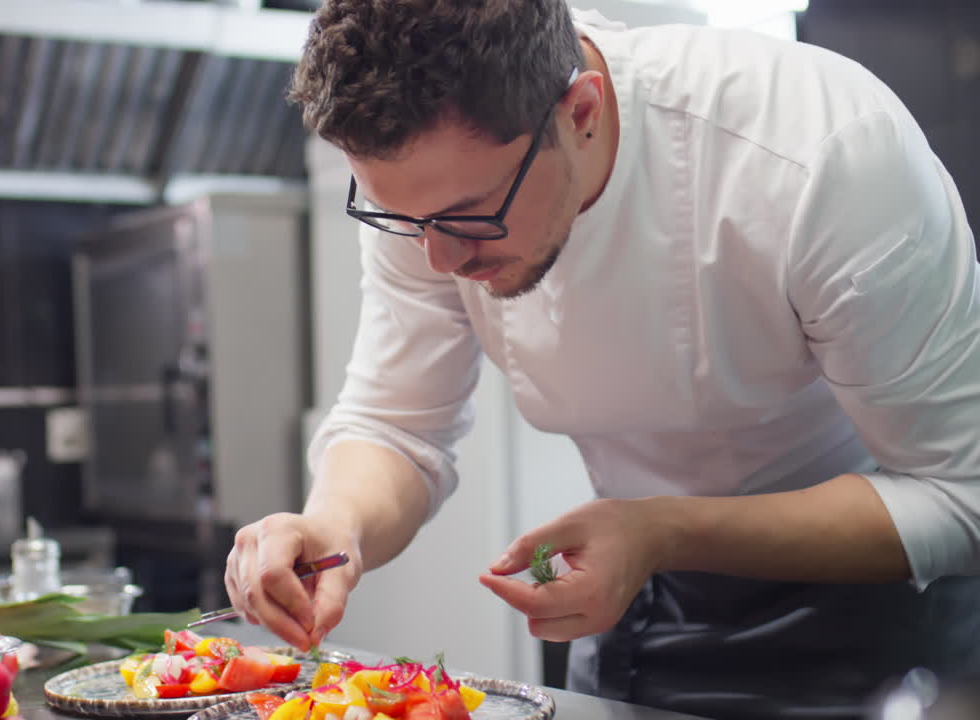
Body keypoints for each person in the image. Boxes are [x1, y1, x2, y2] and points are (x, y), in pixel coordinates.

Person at [223, 1, 980, 717]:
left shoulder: (819, 154)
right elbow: (396, 424)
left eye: (470, 216)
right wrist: (336, 525)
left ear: (580, 113)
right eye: (401, 218)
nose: (440, 258)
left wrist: (664, 529)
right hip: (638, 598)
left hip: (876, 615)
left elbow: (959, 495)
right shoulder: (433, 190)